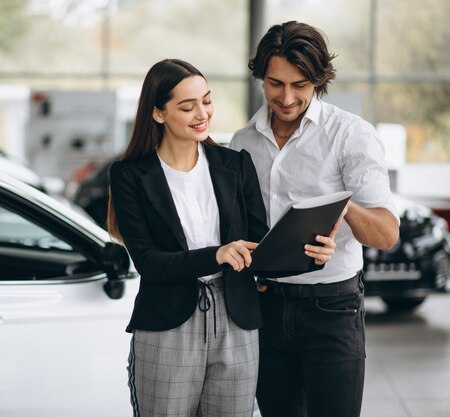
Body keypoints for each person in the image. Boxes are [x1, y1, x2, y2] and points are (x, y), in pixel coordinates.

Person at [107, 58, 336, 417]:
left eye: (207, 100)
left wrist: (310, 255)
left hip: (237, 319)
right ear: (157, 114)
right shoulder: (130, 176)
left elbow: (260, 245)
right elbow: (150, 264)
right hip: (168, 325)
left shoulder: (235, 164)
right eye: (187, 106)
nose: (202, 113)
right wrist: (217, 254)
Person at [229, 21, 401, 417]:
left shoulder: (351, 136)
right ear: (260, 78)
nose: (286, 97)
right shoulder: (242, 142)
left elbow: (386, 234)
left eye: (300, 85)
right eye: (275, 84)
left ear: (319, 81)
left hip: (332, 310)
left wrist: (341, 207)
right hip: (266, 308)